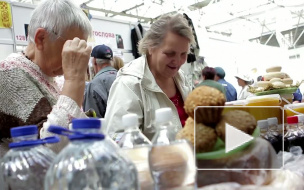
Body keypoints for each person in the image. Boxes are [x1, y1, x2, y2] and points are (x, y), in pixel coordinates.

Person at [0, 0, 92, 154]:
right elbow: (50, 151)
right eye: (70, 48)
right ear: (41, 38)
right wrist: (74, 80)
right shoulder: (8, 74)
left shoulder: (55, 77)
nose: (74, 56)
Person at [104, 14, 195, 140]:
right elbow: (119, 140)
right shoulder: (129, 85)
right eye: (170, 53)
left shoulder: (181, 78)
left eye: (183, 54)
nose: (178, 61)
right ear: (151, 47)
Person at [83, 45, 117, 118]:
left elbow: (92, 121)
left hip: (107, 129)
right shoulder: (122, 77)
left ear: (94, 61)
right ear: (111, 60)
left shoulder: (94, 85)